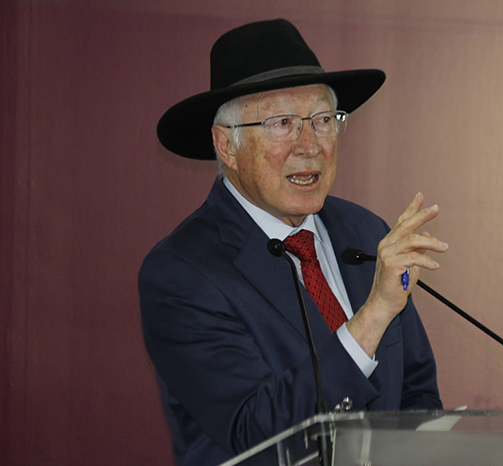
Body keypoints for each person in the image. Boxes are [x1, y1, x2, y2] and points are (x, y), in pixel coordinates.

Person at [139, 19, 448, 466]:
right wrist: (374, 314)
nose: (310, 145)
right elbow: (255, 431)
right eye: (282, 123)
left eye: (323, 121)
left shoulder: (365, 232)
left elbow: (416, 390)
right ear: (226, 146)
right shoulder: (181, 274)